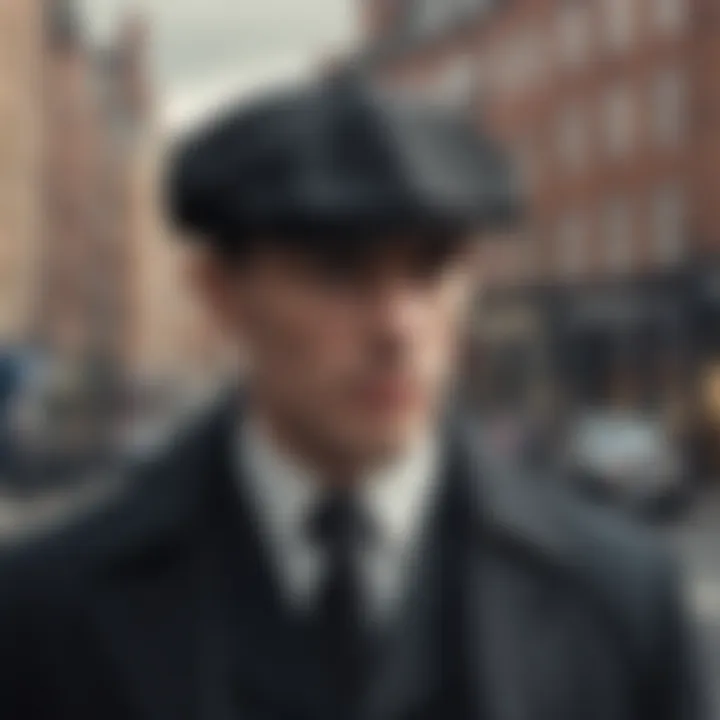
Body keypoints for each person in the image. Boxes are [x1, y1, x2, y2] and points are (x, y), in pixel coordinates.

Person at [0, 74, 702, 720]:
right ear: (220, 293)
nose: (399, 327)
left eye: (431, 270)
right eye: (337, 272)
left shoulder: (621, 600)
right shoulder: (47, 611)